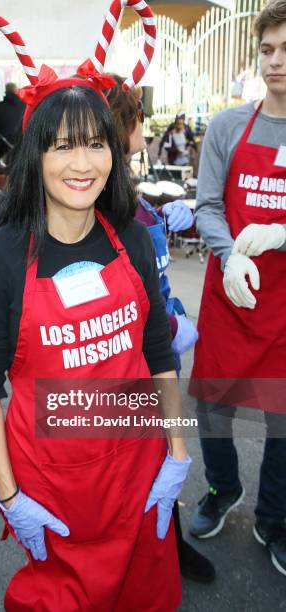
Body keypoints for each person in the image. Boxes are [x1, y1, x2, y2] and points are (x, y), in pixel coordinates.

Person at [0, 58, 193, 608]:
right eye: (62, 146)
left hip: (140, 468)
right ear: (34, 158)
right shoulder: (0, 256)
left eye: (96, 143)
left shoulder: (134, 241)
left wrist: (177, 454)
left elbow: (159, 355)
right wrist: (10, 496)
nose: (83, 163)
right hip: (54, 484)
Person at [189, 0, 286, 576]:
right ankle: (223, 490)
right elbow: (205, 207)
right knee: (212, 409)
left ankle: (275, 517)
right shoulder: (228, 126)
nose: (277, 62)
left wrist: (281, 232)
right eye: (268, 50)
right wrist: (228, 257)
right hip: (231, 296)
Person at [106, 74, 215, 584]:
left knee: (162, 458)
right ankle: (141, 554)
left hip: (157, 350)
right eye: (136, 118)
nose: (143, 127)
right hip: (130, 360)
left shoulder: (126, 185)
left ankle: (166, 546)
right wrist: (167, 323)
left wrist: (165, 222)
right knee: (136, 463)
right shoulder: (100, 195)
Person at [0, 82, 26, 171]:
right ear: (17, 92)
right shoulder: (24, 106)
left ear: (5, 93)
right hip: (21, 144)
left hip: (3, 144)